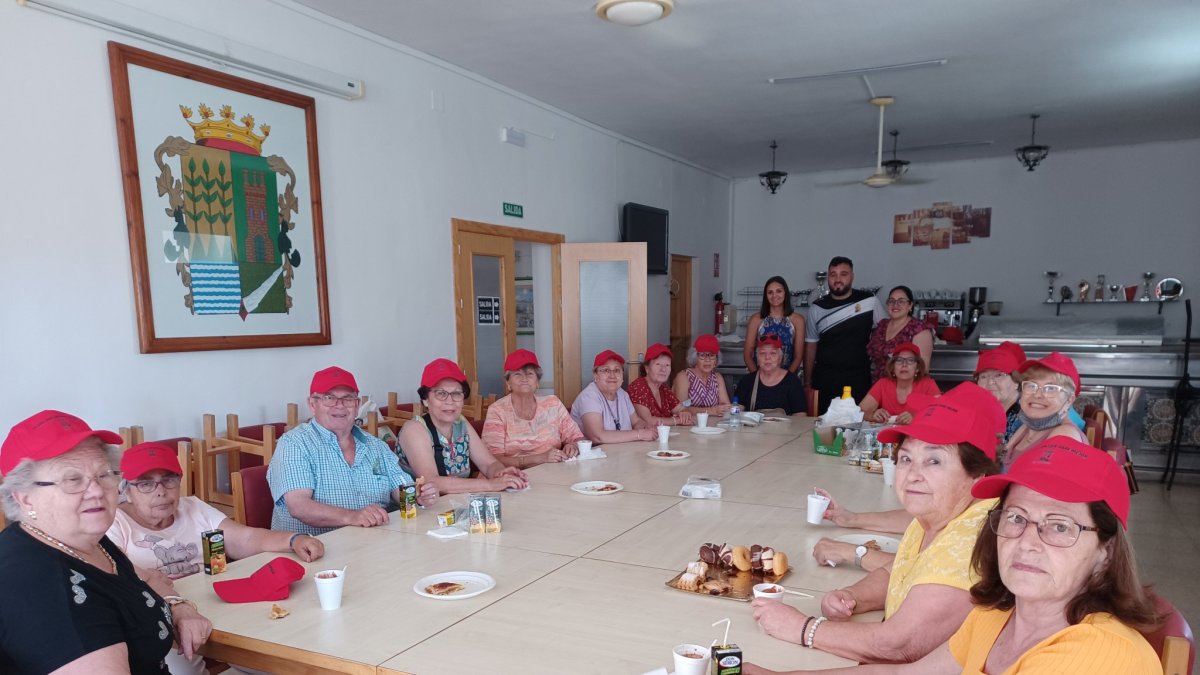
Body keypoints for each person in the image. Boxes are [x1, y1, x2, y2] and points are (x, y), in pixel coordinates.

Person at [747, 438, 1162, 674]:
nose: (1027, 542)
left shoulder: (1098, 657)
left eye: (1059, 526)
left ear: (1105, 553)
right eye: (1016, 517)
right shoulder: (996, 617)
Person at [753, 383, 1004, 664]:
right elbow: (900, 571)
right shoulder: (936, 516)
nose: (913, 475)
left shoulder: (971, 538)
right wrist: (853, 596)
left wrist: (803, 628)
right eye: (906, 458)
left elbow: (901, 644)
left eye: (934, 461)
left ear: (977, 475)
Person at [0, 410, 211, 673]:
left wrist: (179, 607)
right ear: (25, 497)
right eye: (72, 479)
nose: (97, 491)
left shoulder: (85, 540)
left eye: (103, 474)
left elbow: (149, 580)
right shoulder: (45, 587)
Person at [108, 441, 324, 675]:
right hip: (160, 619)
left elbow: (244, 538)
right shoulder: (114, 525)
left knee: (277, 656)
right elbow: (127, 579)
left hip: (217, 604)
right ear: (126, 490)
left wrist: (293, 540)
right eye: (146, 484)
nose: (161, 491)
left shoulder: (194, 508)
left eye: (169, 480)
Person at [267, 366, 439, 536]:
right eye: (329, 398)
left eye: (348, 399)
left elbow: (401, 489)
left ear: (357, 405)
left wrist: (419, 496)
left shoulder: (375, 445)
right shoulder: (294, 443)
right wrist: (353, 517)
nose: (340, 406)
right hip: (310, 551)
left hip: (372, 544)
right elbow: (299, 507)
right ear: (312, 404)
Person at [400, 358, 529, 494]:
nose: (449, 401)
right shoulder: (414, 429)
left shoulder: (460, 423)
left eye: (456, 393)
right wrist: (490, 484)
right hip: (415, 512)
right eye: (441, 394)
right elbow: (431, 481)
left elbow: (488, 464)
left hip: (455, 505)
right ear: (425, 400)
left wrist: (501, 474)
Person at [805, 256, 886, 415]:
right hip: (825, 379)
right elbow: (810, 345)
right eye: (833, 274)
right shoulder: (817, 308)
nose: (838, 279)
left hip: (859, 377)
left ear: (852, 276)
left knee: (857, 426)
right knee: (823, 427)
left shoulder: (870, 301)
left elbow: (886, 333)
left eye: (843, 274)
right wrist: (807, 382)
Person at [482, 349, 584, 467]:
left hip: (551, 473)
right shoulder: (497, 410)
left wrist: (573, 446)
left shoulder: (553, 404)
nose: (524, 378)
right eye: (517, 374)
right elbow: (493, 459)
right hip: (511, 477)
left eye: (530, 374)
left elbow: (578, 438)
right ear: (508, 382)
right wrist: (540, 458)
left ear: (537, 381)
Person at [1003, 352, 1087, 471]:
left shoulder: (1064, 435)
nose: (1037, 394)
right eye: (1031, 385)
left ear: (1069, 400)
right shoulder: (1028, 427)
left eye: (1051, 389)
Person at [571, 349, 658, 443]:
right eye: (606, 370)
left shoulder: (623, 394)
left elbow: (636, 422)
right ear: (595, 375)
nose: (612, 375)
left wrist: (647, 427)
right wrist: (640, 434)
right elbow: (597, 437)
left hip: (620, 451)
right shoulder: (588, 397)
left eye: (617, 370)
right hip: (595, 454)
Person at [858, 342, 941, 425]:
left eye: (910, 360)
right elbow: (859, 412)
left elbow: (942, 412)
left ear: (917, 368)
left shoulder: (928, 384)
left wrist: (916, 417)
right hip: (887, 435)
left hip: (916, 436)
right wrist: (873, 415)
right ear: (893, 367)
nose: (904, 365)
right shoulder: (883, 384)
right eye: (899, 360)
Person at [866, 285, 933, 381]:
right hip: (879, 387)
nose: (895, 304)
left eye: (901, 301)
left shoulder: (919, 330)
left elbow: (922, 371)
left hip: (905, 389)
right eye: (891, 301)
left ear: (910, 306)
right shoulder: (881, 326)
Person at [744, 276, 806, 374]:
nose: (774, 295)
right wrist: (758, 378)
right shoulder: (755, 320)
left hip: (788, 379)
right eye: (770, 292)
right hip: (761, 378)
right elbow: (747, 355)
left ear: (785, 293)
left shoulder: (798, 320)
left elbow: (798, 356)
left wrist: (786, 379)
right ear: (765, 295)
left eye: (779, 291)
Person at [734, 334, 807, 415]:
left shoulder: (792, 381)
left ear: (780, 358)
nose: (767, 357)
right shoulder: (747, 381)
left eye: (773, 353)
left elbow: (800, 415)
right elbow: (736, 412)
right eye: (762, 353)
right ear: (757, 359)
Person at [629, 343, 695, 427]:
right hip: (644, 438)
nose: (663, 369)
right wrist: (677, 420)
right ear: (647, 368)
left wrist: (685, 413)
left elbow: (681, 409)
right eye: (658, 364)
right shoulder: (638, 387)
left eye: (667, 365)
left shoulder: (664, 389)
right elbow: (648, 421)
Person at [974, 340, 1027, 441]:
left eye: (998, 375)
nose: (990, 382)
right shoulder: (979, 410)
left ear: (1016, 381)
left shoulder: (1025, 417)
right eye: (983, 376)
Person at [673, 334, 732, 417]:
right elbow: (681, 409)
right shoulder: (684, 377)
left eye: (711, 355)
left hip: (713, 425)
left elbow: (725, 406)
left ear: (716, 359)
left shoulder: (717, 377)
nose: (707, 360)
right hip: (689, 425)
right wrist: (711, 411)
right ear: (695, 357)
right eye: (702, 355)